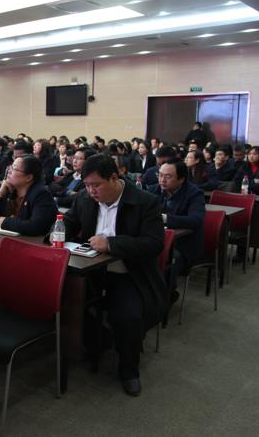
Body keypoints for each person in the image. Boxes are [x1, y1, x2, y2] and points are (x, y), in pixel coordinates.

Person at [62, 154, 166, 397]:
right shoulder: (85, 199)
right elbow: (68, 222)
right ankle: (99, 341)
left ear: (114, 178)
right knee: (63, 298)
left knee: (127, 316)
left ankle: (129, 370)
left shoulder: (145, 202)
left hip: (128, 273)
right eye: (87, 185)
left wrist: (111, 244)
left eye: (96, 185)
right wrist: (56, 234)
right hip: (90, 272)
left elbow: (153, 243)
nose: (91, 191)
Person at [147, 160, 205, 301]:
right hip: (158, 239)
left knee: (169, 258)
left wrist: (165, 218)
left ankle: (165, 297)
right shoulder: (154, 190)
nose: (162, 180)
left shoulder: (194, 193)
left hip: (183, 246)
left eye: (167, 176)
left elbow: (196, 219)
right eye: (160, 175)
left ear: (181, 179)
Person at [0, 155, 57, 236]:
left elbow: (36, 227)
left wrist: (5, 222)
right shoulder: (9, 189)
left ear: (28, 177)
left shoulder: (41, 194)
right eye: (10, 167)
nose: (9, 171)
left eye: (14, 169)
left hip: (31, 242)